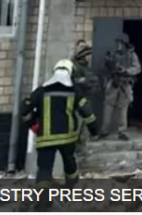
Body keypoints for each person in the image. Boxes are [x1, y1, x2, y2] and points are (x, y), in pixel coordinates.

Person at [21, 59, 98, 202]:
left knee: (44, 169)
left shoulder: (41, 91)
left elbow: (24, 110)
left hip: (45, 138)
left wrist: (33, 125)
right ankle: (70, 190)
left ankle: (43, 200)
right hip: (68, 138)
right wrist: (94, 130)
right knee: (70, 164)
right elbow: (87, 112)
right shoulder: (74, 91)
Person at [102, 34, 142, 140]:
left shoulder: (131, 55)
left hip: (125, 83)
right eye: (117, 43)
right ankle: (104, 130)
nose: (118, 45)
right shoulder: (112, 55)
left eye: (120, 43)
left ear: (125, 44)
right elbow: (104, 70)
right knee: (108, 106)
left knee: (123, 108)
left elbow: (137, 68)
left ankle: (122, 131)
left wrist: (126, 71)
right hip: (113, 83)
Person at [70, 41, 100, 149]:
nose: (89, 57)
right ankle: (74, 149)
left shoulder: (86, 67)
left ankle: (82, 148)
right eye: (88, 55)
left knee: (84, 127)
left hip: (87, 100)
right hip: (78, 102)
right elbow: (71, 81)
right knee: (77, 127)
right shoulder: (74, 66)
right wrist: (83, 81)